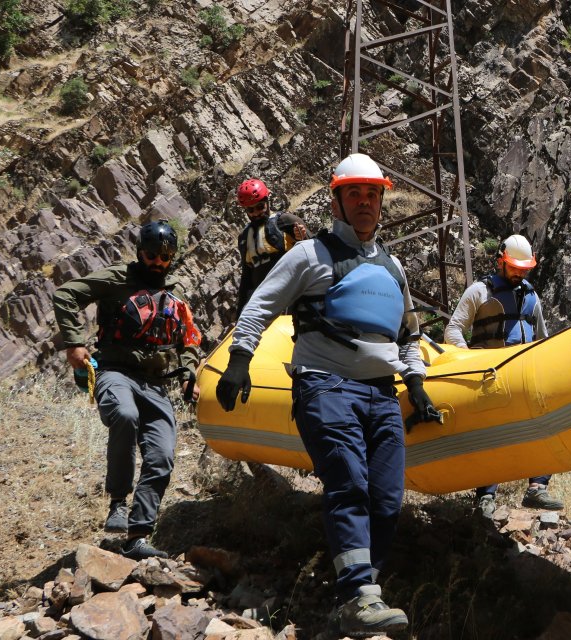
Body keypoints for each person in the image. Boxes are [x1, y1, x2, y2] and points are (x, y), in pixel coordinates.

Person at [215, 153, 441, 636]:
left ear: (382, 201)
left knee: (386, 499)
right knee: (349, 483)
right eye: (354, 193)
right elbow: (259, 306)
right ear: (336, 201)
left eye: (372, 193)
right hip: (325, 384)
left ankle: (356, 596)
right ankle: (360, 595)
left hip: (381, 393)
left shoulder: (393, 266)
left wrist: (417, 385)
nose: (365, 202)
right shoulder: (307, 255)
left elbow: (408, 336)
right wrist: (239, 359)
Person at [52, 221, 203, 561]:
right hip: (114, 372)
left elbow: (189, 337)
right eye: (152, 255)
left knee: (161, 455)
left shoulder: (174, 291)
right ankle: (118, 503)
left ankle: (137, 537)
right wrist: (74, 342)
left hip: (156, 384)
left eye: (165, 257)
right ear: (140, 252)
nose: (158, 262)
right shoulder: (117, 278)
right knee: (124, 414)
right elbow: (66, 294)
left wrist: (188, 374)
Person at [443, 234, 564, 518]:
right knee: (491, 437)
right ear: (501, 261)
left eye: (524, 269)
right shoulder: (479, 292)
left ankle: (537, 487)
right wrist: (471, 360)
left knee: (542, 426)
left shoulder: (532, 296)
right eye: (514, 267)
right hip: (491, 377)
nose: (520, 273)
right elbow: (453, 330)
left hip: (524, 376)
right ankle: (485, 496)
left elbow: (542, 338)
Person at [235, 178, 309, 314]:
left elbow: (313, 251)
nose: (256, 213)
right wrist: (240, 314)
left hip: (294, 298)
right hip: (264, 305)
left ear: (268, 202)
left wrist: (303, 238)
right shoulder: (244, 238)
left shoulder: (287, 221)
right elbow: (246, 278)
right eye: (250, 210)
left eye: (260, 207)